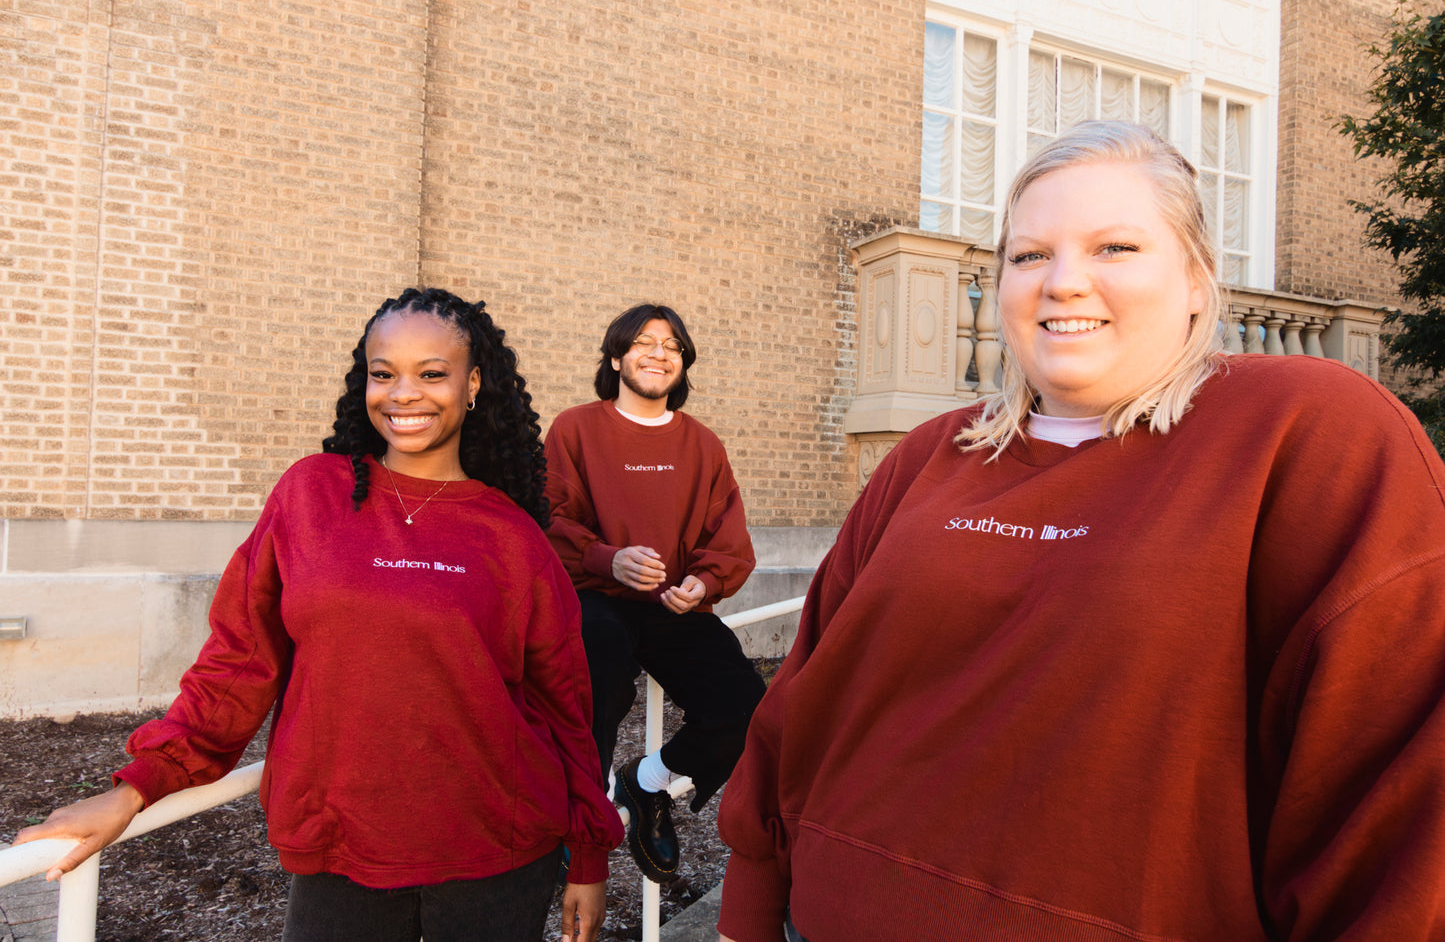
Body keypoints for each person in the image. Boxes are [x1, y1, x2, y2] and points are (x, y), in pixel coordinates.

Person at [715, 122, 1445, 941]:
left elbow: (1395, 795)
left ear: (1197, 279)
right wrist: (747, 899)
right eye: (1028, 256)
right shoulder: (931, 454)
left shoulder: (1308, 432)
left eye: (1115, 247)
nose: (1062, 282)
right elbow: (806, 695)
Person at [15, 287, 623, 942]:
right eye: (383, 372)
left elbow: (563, 704)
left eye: (432, 373)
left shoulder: (512, 536)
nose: (403, 393)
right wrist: (135, 788)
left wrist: (588, 854)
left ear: (473, 383)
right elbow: (236, 662)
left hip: (495, 851)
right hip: (337, 845)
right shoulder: (310, 494)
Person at [543, 304, 765, 885]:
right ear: (616, 357)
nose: (658, 353)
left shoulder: (703, 444)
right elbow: (547, 518)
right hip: (596, 594)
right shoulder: (575, 428)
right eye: (644, 342)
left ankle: (646, 785)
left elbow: (730, 539)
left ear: (682, 363)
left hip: (672, 606)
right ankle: (580, 816)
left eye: (671, 346)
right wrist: (606, 558)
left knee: (747, 706)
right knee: (597, 671)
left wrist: (704, 584)